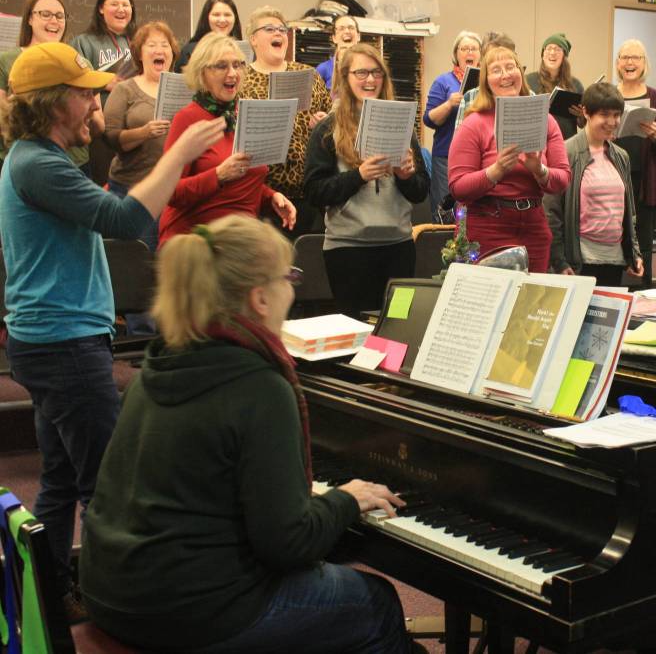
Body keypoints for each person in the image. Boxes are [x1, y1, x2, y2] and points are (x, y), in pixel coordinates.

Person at [79, 214, 410, 653]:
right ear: (259, 298)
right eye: (289, 276)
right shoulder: (257, 384)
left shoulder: (157, 366)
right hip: (190, 611)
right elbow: (288, 544)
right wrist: (345, 498)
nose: (292, 288)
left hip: (111, 591)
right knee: (376, 602)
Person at [0, 41, 224, 616]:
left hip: (55, 338)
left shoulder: (40, 159)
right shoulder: (38, 164)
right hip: (63, 343)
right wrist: (178, 151)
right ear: (54, 103)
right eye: (86, 94)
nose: (96, 104)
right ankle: (115, 601)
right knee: (110, 482)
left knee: (60, 477)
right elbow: (127, 219)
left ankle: (48, 596)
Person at [304, 44, 429, 317]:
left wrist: (405, 176)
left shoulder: (402, 124)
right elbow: (314, 192)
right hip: (348, 251)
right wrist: (358, 176)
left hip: (399, 248)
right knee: (358, 335)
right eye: (361, 73)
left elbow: (421, 192)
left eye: (376, 73)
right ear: (345, 77)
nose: (370, 80)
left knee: (398, 326)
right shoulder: (328, 129)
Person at [160, 33, 296, 246]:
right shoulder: (187, 118)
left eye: (238, 65)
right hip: (195, 245)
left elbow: (242, 180)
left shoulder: (245, 115)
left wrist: (270, 196)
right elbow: (170, 191)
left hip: (240, 241)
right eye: (221, 66)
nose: (232, 73)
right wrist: (218, 175)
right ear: (202, 73)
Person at [448, 46, 570, 274]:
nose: (505, 75)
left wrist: (539, 170)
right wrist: (496, 171)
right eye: (496, 70)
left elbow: (562, 179)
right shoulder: (474, 124)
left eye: (510, 67)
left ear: (520, 74)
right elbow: (458, 187)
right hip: (487, 225)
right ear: (486, 81)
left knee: (530, 303)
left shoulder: (546, 120)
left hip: (534, 226)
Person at [239, 6, 330, 236]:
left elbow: (332, 122)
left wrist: (322, 124)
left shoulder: (308, 75)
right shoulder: (241, 80)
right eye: (269, 29)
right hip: (260, 192)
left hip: (306, 192)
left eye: (282, 29)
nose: (279, 33)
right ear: (253, 39)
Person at [545, 82, 643, 286]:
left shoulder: (621, 156)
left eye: (616, 115)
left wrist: (634, 254)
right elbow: (551, 212)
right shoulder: (566, 152)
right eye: (604, 115)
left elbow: (629, 213)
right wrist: (559, 261)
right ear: (586, 113)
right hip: (579, 262)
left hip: (614, 259)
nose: (612, 121)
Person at [0, 0, 100, 176]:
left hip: (75, 163)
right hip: (24, 166)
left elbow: (99, 123)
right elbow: (3, 120)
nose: (54, 21)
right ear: (29, 18)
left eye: (60, 16)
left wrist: (82, 110)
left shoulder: (80, 62)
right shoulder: (5, 60)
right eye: (45, 14)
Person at [103, 21, 180, 250]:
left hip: (175, 192)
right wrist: (143, 132)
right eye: (151, 45)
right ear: (139, 54)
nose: (159, 50)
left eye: (164, 45)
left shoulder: (185, 88)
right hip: (133, 189)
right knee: (139, 259)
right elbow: (110, 138)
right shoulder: (125, 89)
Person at [614, 39, 656, 288]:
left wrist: (655, 135)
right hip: (613, 181)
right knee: (614, 242)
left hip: (644, 182)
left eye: (635, 58)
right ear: (618, 63)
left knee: (642, 245)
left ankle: (642, 296)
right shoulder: (609, 95)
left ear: (644, 63)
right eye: (625, 57)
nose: (630, 62)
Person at [423, 30, 482, 220]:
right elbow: (429, 119)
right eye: (464, 48)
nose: (469, 53)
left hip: (478, 159)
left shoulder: (488, 82)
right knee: (446, 213)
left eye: (474, 48)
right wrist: (449, 105)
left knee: (471, 214)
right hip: (446, 157)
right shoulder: (443, 82)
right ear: (456, 54)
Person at [70, 0, 137, 100]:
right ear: (101, 8)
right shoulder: (83, 42)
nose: (121, 9)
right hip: (96, 113)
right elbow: (73, 81)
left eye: (125, 5)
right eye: (114, 4)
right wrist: (103, 84)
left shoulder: (140, 44)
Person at [525, 33, 585, 140]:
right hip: (537, 141)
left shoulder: (575, 84)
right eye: (548, 49)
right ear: (543, 55)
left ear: (564, 56)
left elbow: (582, 124)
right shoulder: (528, 80)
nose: (552, 53)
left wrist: (582, 115)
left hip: (566, 142)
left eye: (557, 49)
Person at [175, 0, 241, 73]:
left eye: (227, 15)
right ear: (206, 18)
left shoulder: (243, 51)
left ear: (235, 18)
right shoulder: (190, 52)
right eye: (216, 15)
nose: (222, 20)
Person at [316, 14, 360, 92]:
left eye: (351, 28)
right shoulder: (323, 69)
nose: (347, 31)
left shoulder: (368, 66)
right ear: (334, 38)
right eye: (341, 28)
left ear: (358, 36)